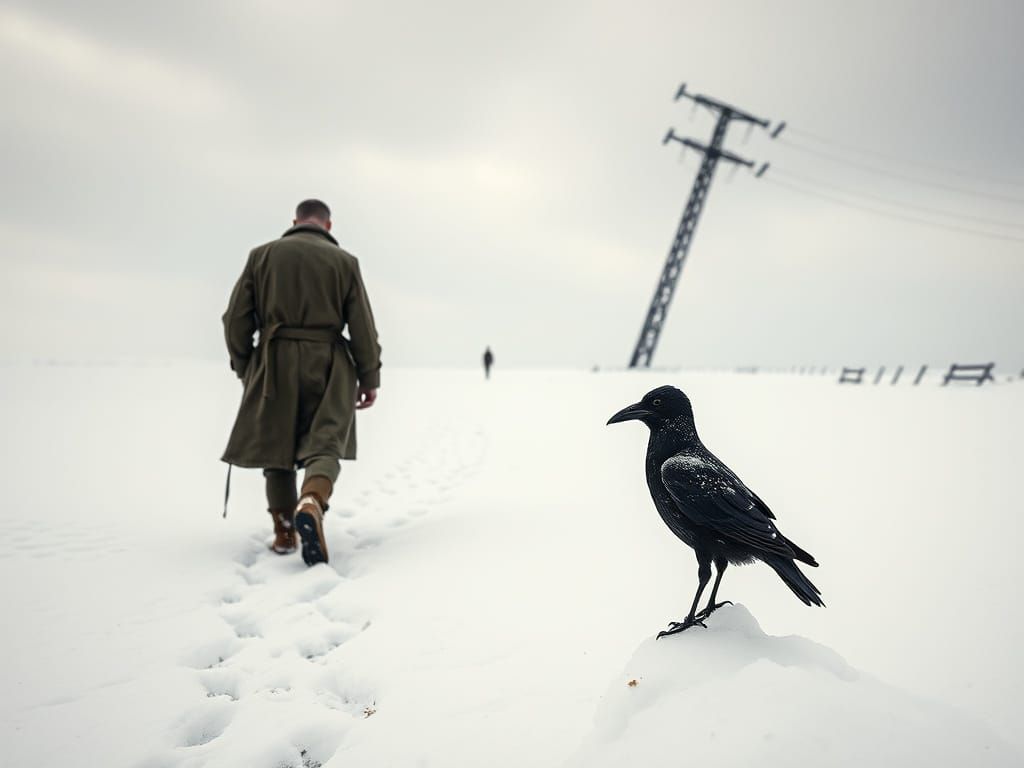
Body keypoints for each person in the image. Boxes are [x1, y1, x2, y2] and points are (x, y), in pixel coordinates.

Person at [221, 199, 382, 566]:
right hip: (329, 364)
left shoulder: (261, 256)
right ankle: (312, 499)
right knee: (326, 442)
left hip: (274, 362)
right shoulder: (345, 262)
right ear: (328, 225)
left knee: (276, 444)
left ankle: (284, 531)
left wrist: (247, 367)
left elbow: (235, 320)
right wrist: (369, 376)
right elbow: (363, 327)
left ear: (294, 221)